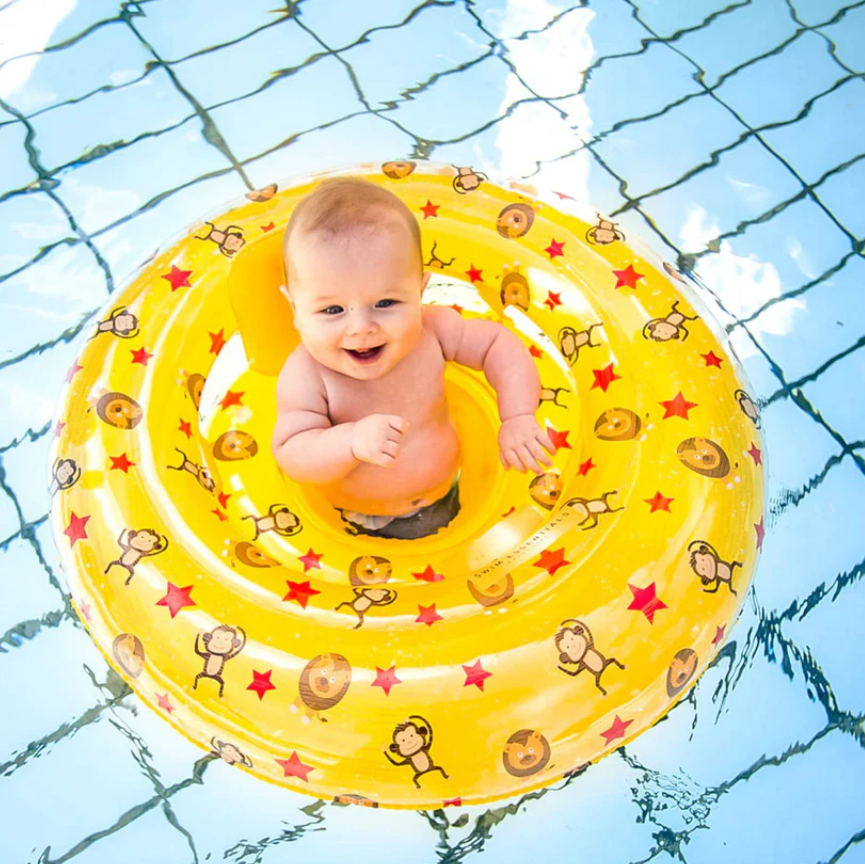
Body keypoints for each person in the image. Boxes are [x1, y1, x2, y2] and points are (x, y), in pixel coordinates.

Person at [271, 177, 554, 539]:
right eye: (332, 309)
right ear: (295, 307)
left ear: (420, 290)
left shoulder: (433, 331)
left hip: (446, 485)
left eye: (386, 303)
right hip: (362, 513)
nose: (361, 328)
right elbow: (293, 452)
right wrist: (351, 442)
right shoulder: (307, 375)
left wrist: (517, 415)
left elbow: (499, 345)